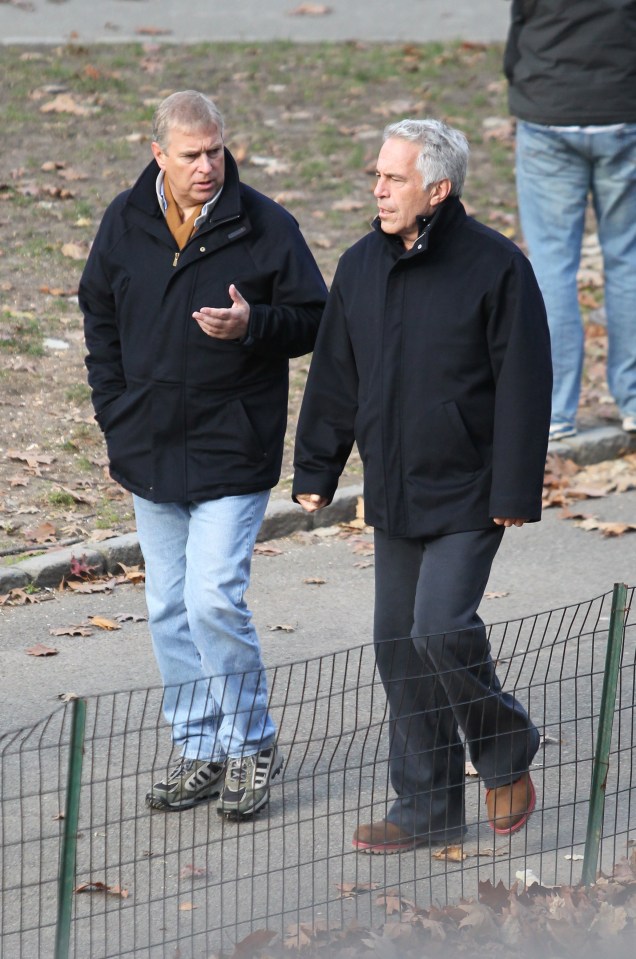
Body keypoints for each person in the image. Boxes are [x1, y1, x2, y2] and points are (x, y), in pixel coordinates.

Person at [292, 118, 552, 854]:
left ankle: (505, 749)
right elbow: (336, 375)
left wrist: (514, 488)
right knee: (397, 645)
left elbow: (525, 385)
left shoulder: (497, 267)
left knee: (439, 627)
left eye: (394, 177)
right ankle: (429, 803)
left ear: (437, 189)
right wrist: (318, 466)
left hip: (471, 488)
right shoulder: (359, 266)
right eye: (377, 174)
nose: (377, 188)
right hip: (396, 490)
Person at [80, 90, 327, 819]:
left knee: (213, 597)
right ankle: (200, 748)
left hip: (233, 446)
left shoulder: (265, 226)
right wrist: (113, 412)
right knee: (166, 606)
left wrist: (255, 323)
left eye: (216, 149)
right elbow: (97, 311)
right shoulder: (125, 223)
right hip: (148, 447)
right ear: (159, 153)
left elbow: (316, 316)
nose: (208, 166)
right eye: (191, 154)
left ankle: (250, 743)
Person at [505, 0, 636, 441]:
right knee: (629, 259)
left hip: (548, 105)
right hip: (624, 106)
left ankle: (554, 409)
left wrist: (522, 84)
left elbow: (520, 23)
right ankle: (633, 400)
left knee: (551, 264)